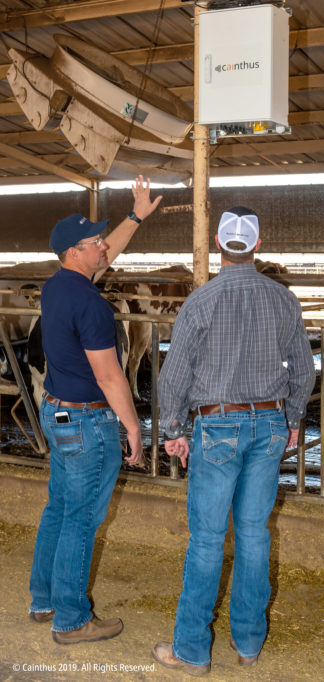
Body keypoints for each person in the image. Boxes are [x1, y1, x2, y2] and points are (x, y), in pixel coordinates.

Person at [152, 206, 315, 675]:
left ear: (219, 246)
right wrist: (293, 421)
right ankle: (248, 645)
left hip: (217, 425)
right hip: (268, 426)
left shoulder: (201, 301)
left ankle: (191, 651)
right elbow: (304, 372)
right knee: (253, 535)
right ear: (258, 246)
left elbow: (173, 378)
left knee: (206, 539)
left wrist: (174, 432)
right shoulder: (284, 301)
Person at [28, 176, 162, 644]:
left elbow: (110, 253)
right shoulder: (93, 305)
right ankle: (71, 620)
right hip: (88, 420)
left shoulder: (58, 287)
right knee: (82, 519)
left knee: (60, 509)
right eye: (94, 243)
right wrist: (133, 428)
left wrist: (136, 215)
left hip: (56, 413)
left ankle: (43, 600)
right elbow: (110, 377)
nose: (103, 246)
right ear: (74, 253)